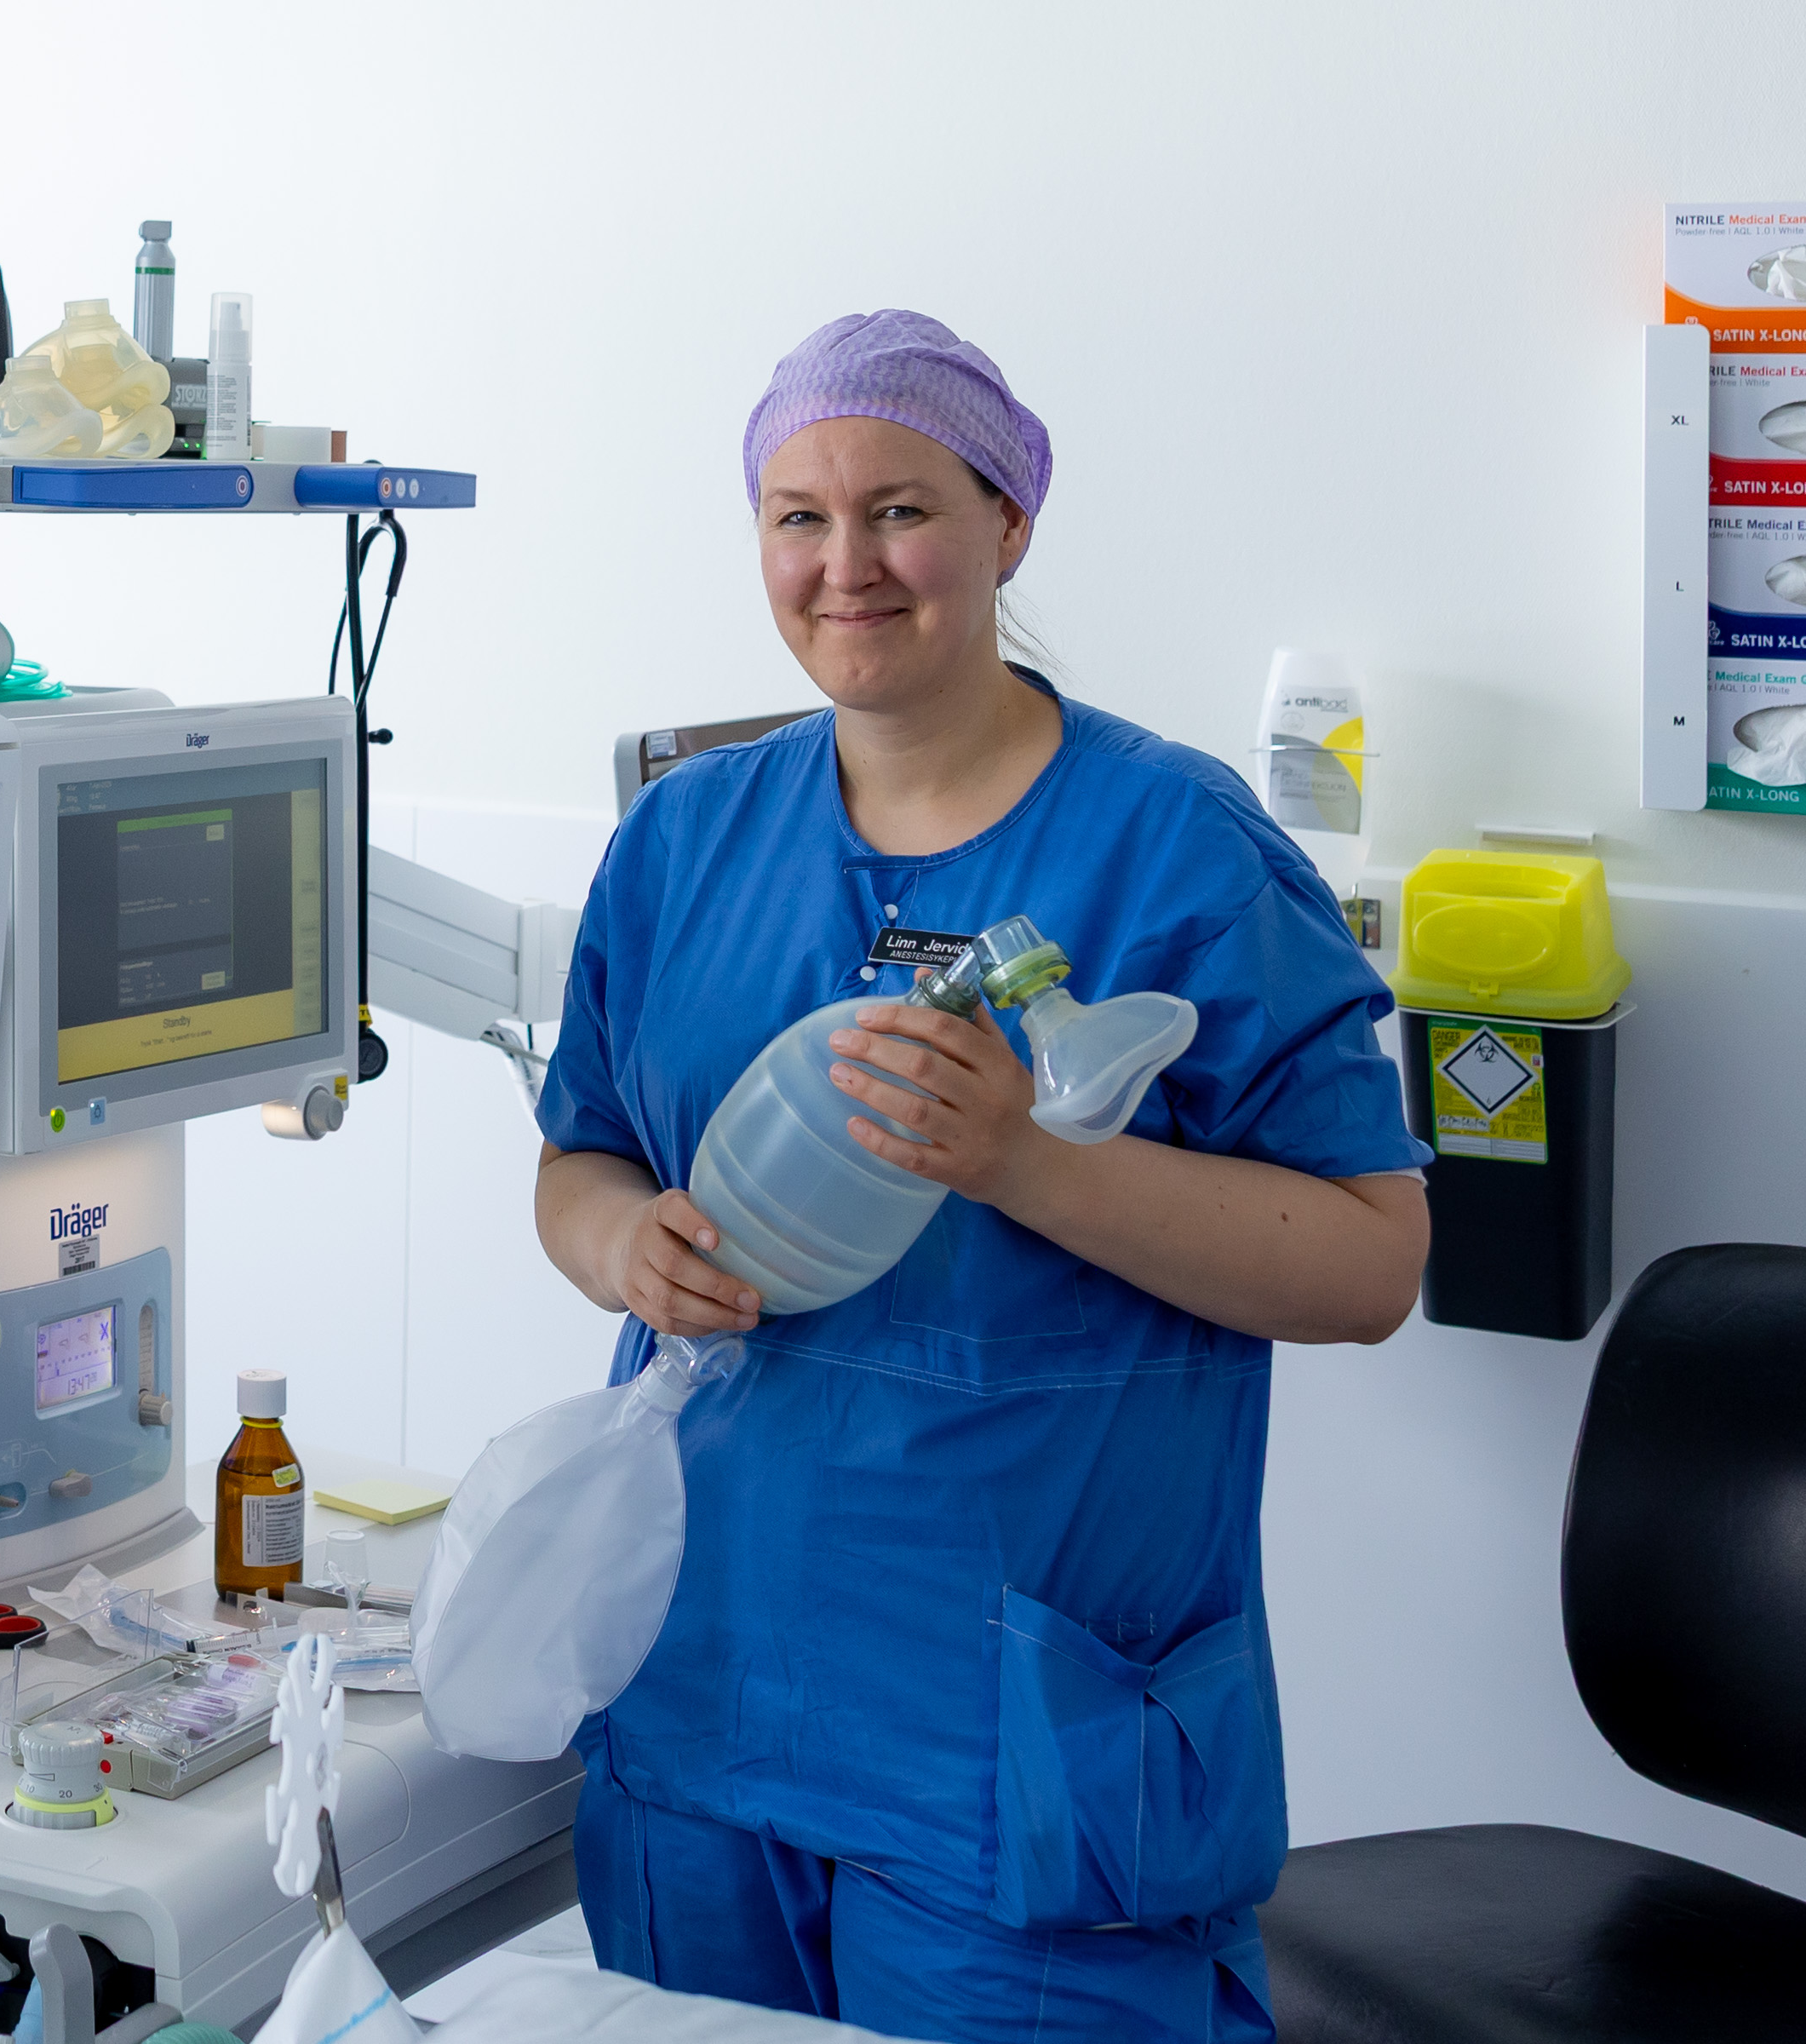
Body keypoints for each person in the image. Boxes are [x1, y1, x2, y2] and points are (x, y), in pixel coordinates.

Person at [530, 311, 1426, 2044]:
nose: (845, 564)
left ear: (1009, 524)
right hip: (704, 1703)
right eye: (798, 517)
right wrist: (622, 1243)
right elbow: (581, 1155)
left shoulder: (1178, 848)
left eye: (900, 510)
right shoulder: (685, 840)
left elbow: (1370, 1261)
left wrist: (1026, 1162)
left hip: (1017, 1755)